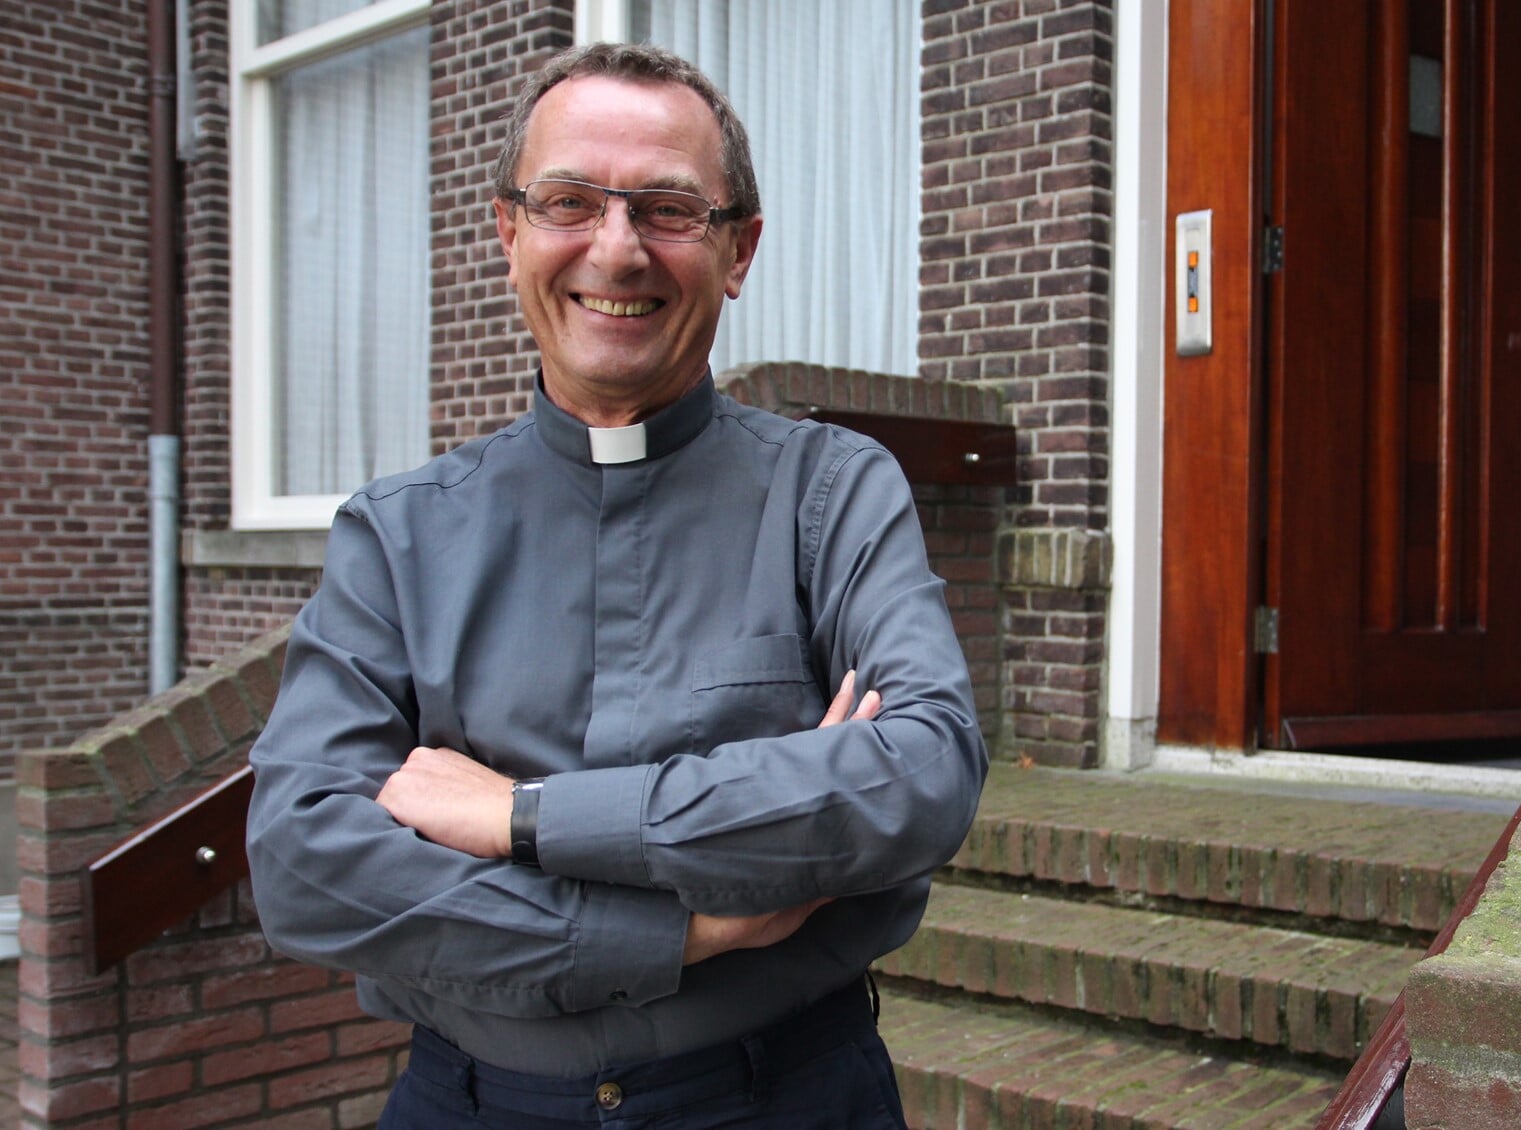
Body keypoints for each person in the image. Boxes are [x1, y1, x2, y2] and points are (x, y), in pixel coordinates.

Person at [245, 41, 987, 1129]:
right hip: (474, 1103)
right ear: (510, 234)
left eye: (670, 209)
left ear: (740, 251)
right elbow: (305, 860)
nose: (618, 246)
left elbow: (918, 774)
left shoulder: (830, 493)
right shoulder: (397, 533)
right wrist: (697, 922)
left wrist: (518, 814)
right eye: (568, 201)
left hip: (783, 1096)